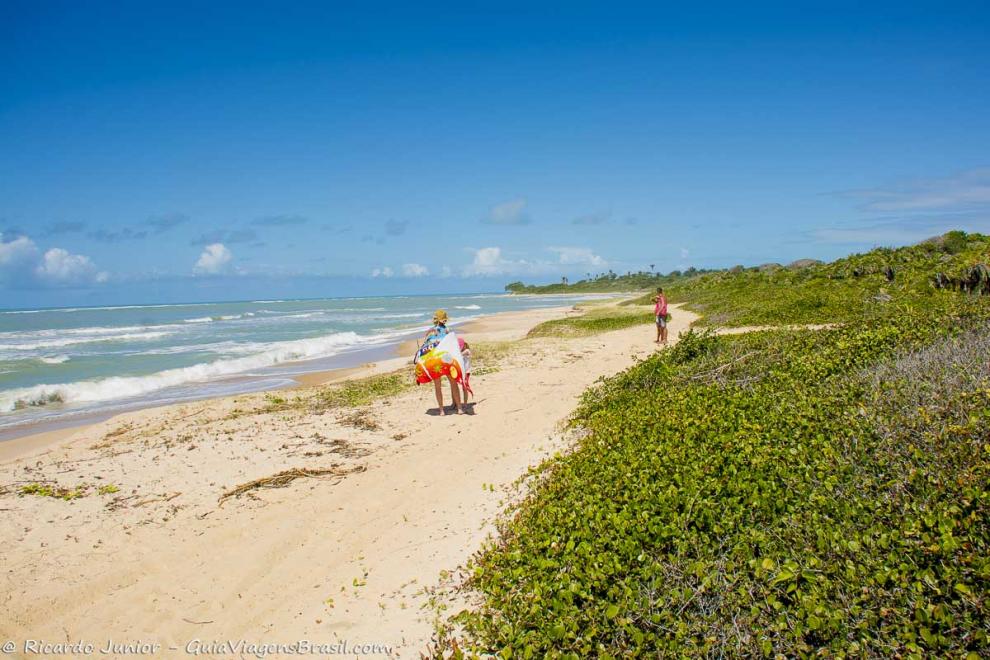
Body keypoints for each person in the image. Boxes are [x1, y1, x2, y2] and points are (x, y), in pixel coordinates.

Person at [418, 309, 463, 415]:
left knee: (438, 386)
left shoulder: (431, 331)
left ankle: (442, 410)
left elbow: (426, 347)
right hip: (446, 359)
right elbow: (452, 344)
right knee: (453, 383)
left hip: (435, 360)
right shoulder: (448, 330)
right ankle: (459, 408)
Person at [457, 336, 472, 402]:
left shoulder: (467, 351)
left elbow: (462, 354)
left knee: (464, 387)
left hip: (466, 372)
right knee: (458, 387)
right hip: (460, 372)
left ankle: (465, 403)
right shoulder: (459, 352)